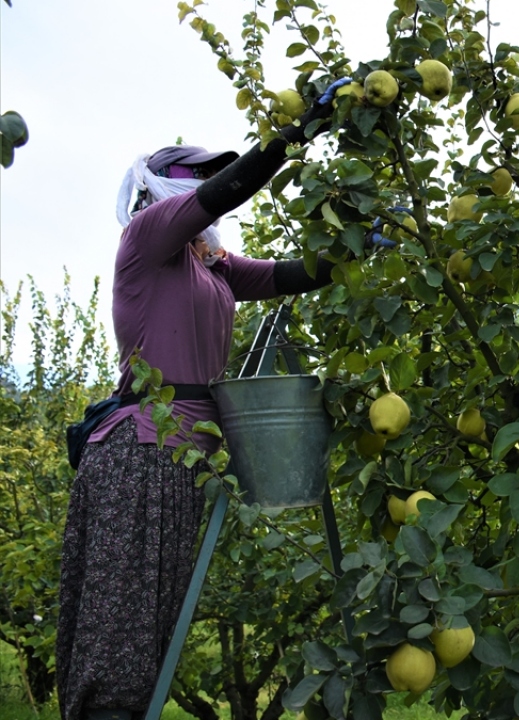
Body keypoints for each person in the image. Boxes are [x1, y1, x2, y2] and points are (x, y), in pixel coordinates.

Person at [56, 79, 353, 720]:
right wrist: (296, 134)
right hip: (139, 451)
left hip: (188, 460)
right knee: (120, 627)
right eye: (196, 178)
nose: (206, 193)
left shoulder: (210, 264)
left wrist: (356, 237)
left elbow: (286, 276)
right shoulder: (147, 237)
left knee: (152, 624)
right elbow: (231, 187)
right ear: (166, 185)